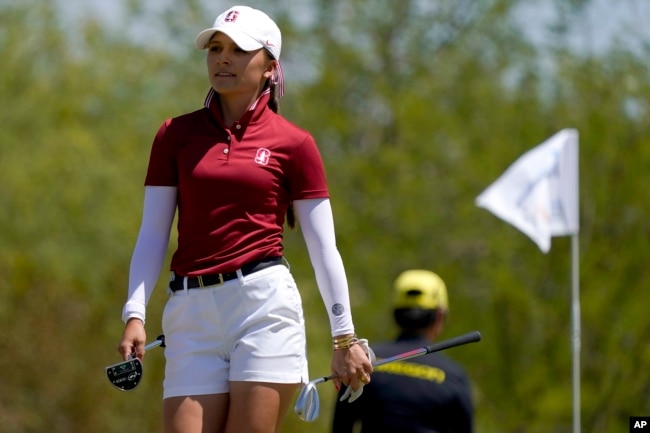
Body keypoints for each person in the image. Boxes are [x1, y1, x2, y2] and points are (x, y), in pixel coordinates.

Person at [116, 5, 372, 433]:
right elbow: (152, 234)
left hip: (263, 308)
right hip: (190, 313)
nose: (223, 58)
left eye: (239, 50)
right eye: (216, 48)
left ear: (270, 67)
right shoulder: (174, 135)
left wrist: (344, 337)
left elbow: (323, 247)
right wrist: (134, 312)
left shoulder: (295, 144)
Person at [332, 269, 474, 433]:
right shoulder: (453, 375)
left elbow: (340, 427)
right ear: (440, 315)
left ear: (396, 313)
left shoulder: (362, 364)